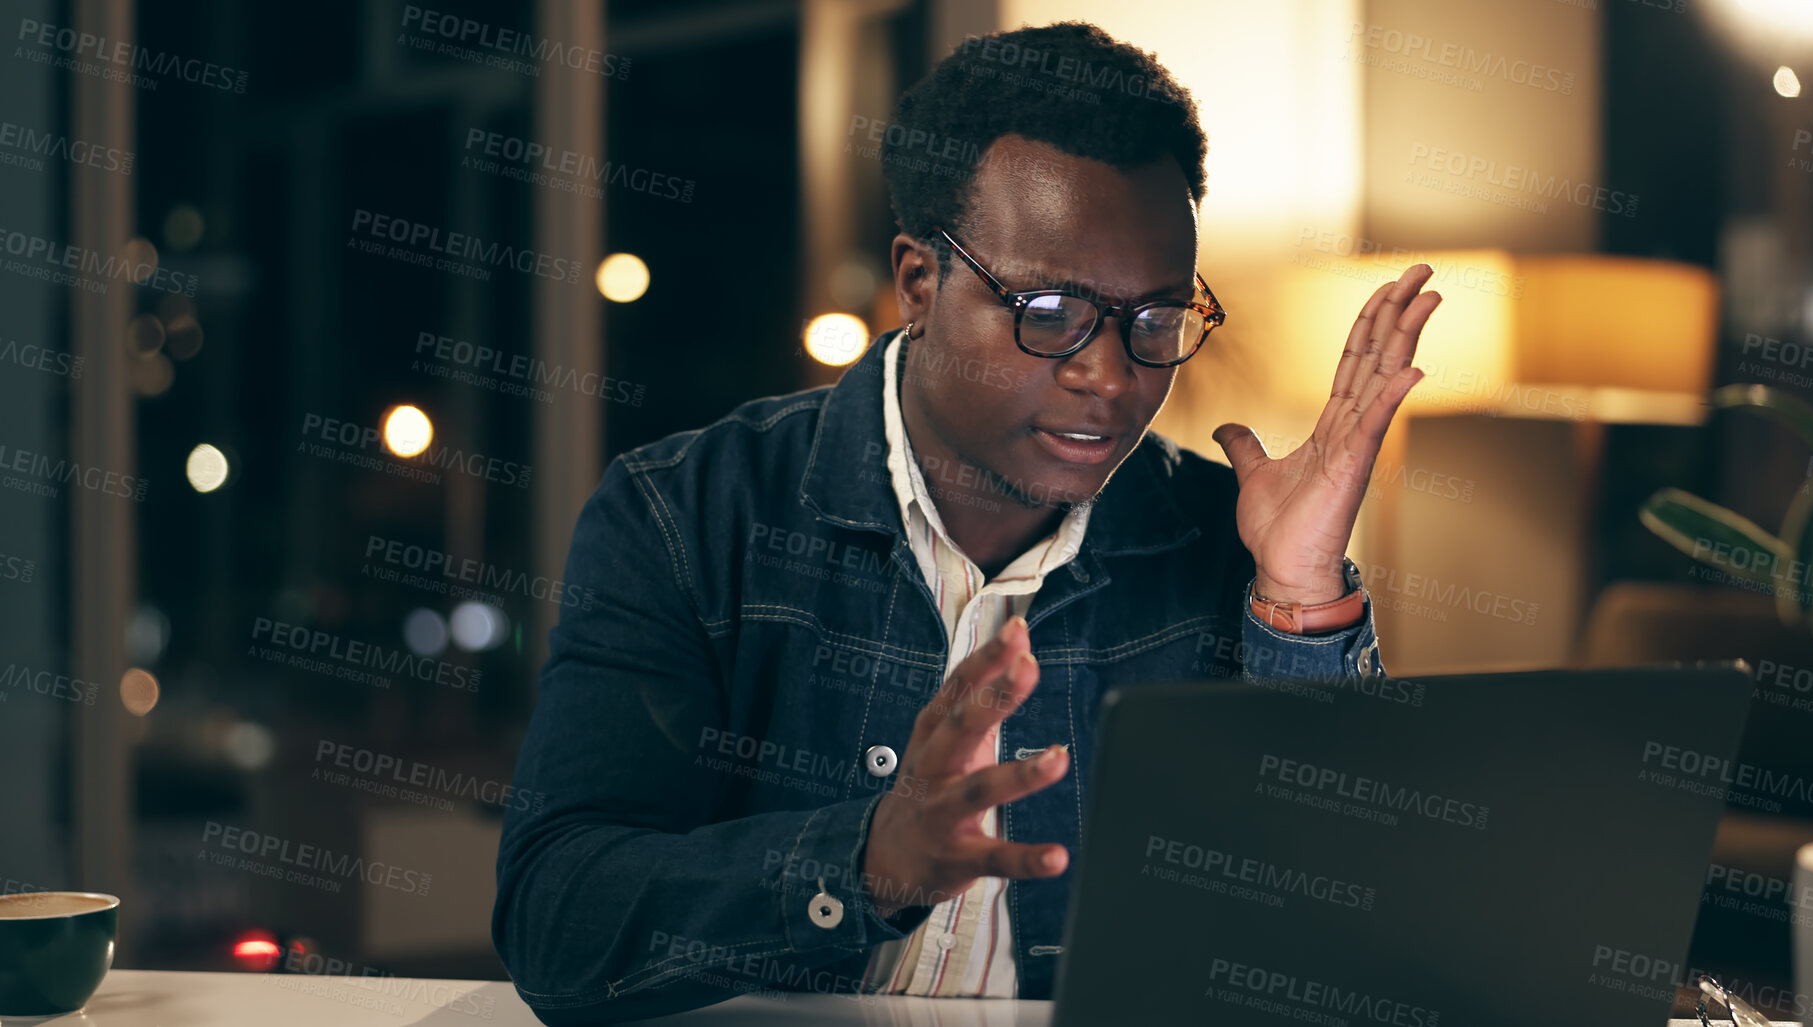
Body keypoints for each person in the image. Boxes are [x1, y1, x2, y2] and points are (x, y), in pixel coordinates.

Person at [493, 20, 1440, 1025]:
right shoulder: (690, 513)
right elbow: (560, 925)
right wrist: (863, 866)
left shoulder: (1226, 545)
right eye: (1047, 308)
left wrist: (1299, 599)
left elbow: (1348, 940)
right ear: (917, 283)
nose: (1111, 376)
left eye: (1156, 320)